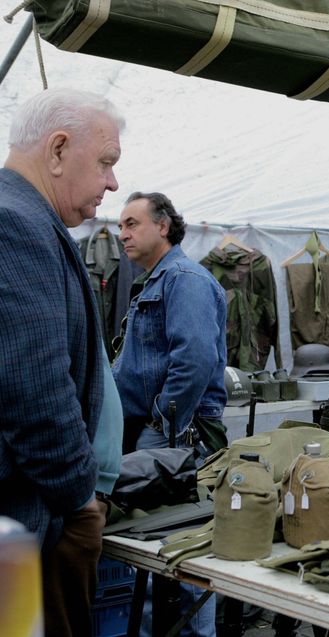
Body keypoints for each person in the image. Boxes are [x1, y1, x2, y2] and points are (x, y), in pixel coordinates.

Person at [0, 88, 123, 636]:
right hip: (28, 519)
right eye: (105, 163)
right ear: (56, 150)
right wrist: (79, 499)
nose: (113, 183)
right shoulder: (15, 225)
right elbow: (32, 387)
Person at [112, 192, 227, 637]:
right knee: (157, 545)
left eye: (131, 223)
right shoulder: (159, 280)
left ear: (163, 226)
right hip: (158, 432)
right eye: (121, 226)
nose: (122, 234)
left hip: (176, 436)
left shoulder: (183, 279)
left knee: (187, 547)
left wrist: (162, 425)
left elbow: (195, 360)